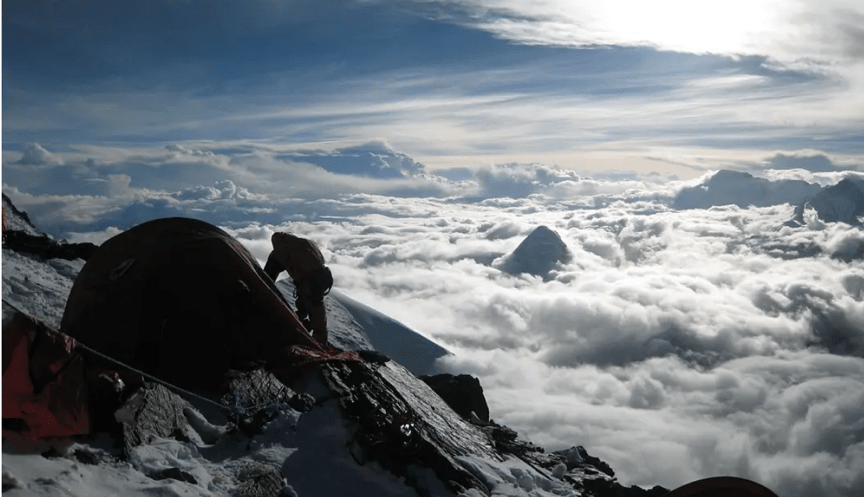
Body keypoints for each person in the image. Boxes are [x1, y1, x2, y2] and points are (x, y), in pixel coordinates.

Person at [264, 232, 333, 345]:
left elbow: (268, 277)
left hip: (311, 278)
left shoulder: (282, 251)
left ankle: (313, 336)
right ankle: (316, 337)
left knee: (314, 305)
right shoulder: (304, 245)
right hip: (316, 278)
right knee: (315, 306)